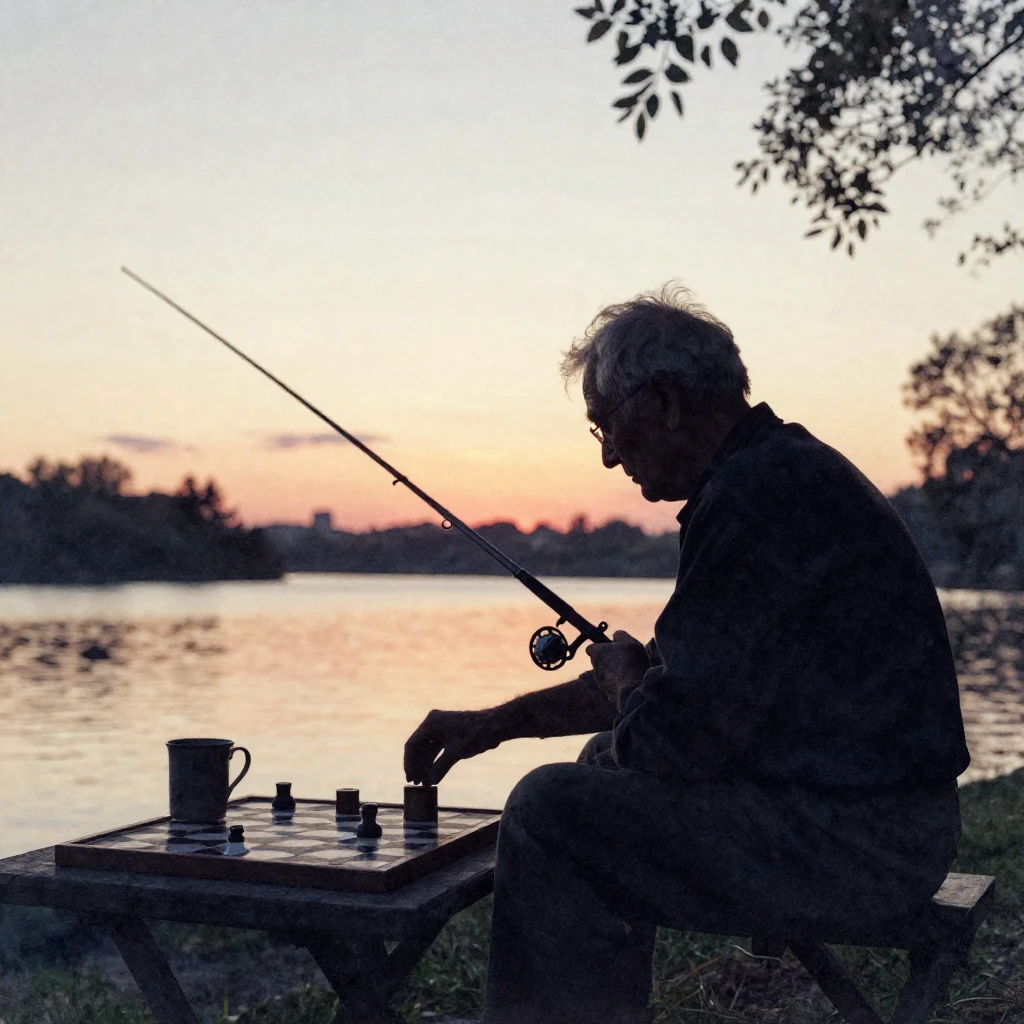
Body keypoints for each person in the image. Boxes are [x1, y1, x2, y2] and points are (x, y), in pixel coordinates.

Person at [404, 284, 970, 1024]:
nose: (608, 455)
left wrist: (631, 687)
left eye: (606, 424)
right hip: (885, 826)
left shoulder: (755, 498)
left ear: (664, 402)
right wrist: (494, 724)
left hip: (867, 847)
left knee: (549, 809)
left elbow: (671, 737)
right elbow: (676, 689)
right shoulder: (771, 472)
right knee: (599, 763)